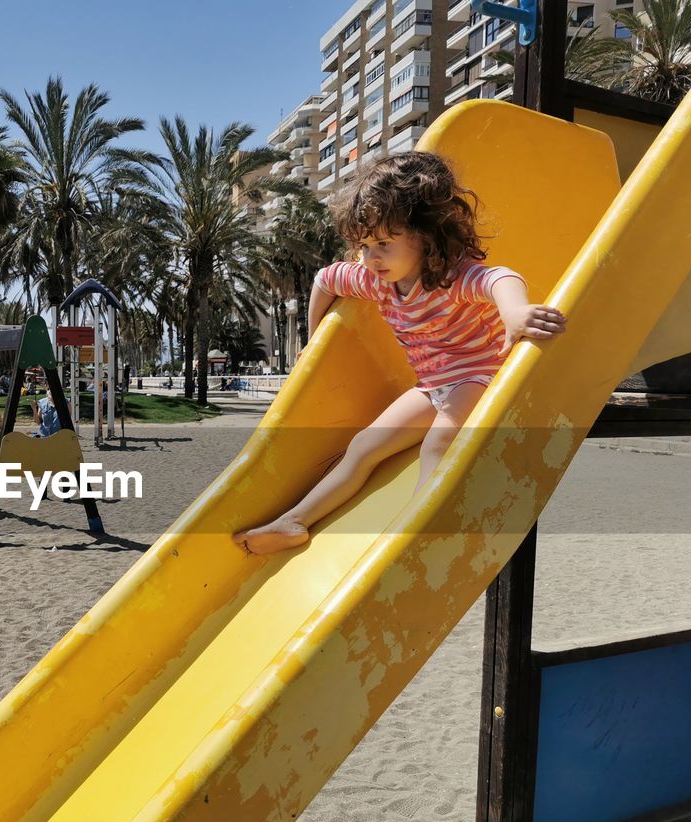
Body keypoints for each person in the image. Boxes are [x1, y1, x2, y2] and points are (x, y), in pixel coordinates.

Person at [233, 151, 567, 557]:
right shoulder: (376, 281)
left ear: (426, 236)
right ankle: (296, 520)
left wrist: (514, 312)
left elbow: (500, 277)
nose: (372, 257)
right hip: (431, 386)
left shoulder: (451, 278)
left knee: (437, 444)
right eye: (365, 245)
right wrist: (313, 338)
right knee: (362, 447)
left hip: (480, 378)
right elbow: (325, 280)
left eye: (384, 244)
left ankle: (418, 529)